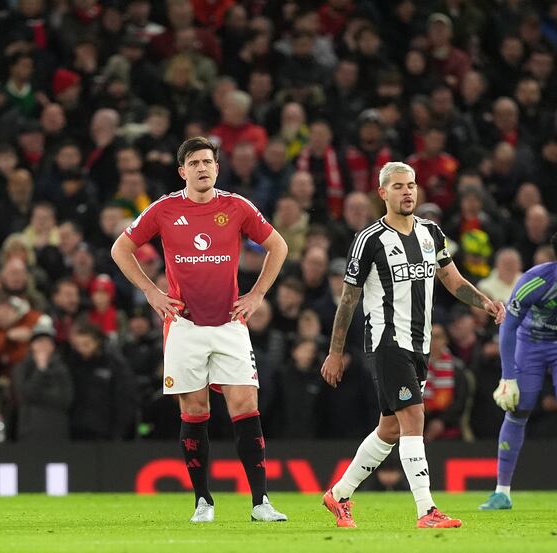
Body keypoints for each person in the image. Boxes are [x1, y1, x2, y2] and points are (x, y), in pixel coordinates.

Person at [111, 136, 289, 523]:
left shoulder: (237, 206)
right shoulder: (164, 209)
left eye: (208, 161)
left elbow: (278, 246)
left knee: (245, 405)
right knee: (195, 409)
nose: (203, 168)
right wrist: (151, 292)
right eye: (194, 163)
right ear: (182, 171)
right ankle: (203, 501)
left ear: (217, 168)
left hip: (230, 323)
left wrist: (257, 294)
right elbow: (119, 249)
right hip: (184, 325)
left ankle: (260, 502)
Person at [320, 161, 505, 529]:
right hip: (388, 341)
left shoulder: (431, 233)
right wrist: (336, 351)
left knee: (389, 429)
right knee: (414, 419)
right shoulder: (370, 239)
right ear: (383, 193)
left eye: (412, 185)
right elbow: (348, 300)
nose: (408, 192)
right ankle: (427, 511)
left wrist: (483, 301)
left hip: (420, 344)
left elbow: (451, 280)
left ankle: (338, 495)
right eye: (399, 186)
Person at [479, 232, 557, 511]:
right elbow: (509, 326)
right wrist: (507, 377)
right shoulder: (535, 281)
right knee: (518, 408)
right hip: (531, 343)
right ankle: (502, 492)